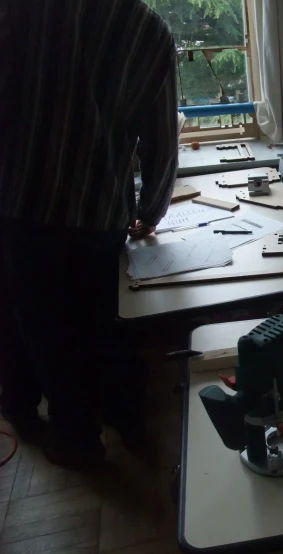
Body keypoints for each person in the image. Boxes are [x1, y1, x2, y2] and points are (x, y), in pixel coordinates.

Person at [0, 0, 178, 468]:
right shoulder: (148, 30)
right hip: (98, 213)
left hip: (24, 204)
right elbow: (160, 139)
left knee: (45, 330)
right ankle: (124, 418)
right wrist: (150, 210)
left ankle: (76, 437)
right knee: (104, 324)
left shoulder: (24, 12)